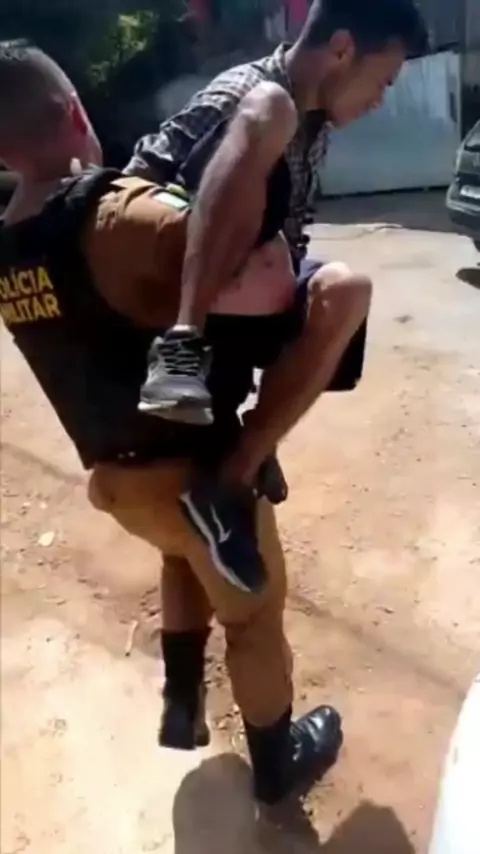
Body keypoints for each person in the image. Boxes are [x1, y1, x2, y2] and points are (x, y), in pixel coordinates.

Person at [0, 41, 351, 807]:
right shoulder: (115, 215)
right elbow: (260, 279)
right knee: (254, 616)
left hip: (118, 483)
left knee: (181, 554)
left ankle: (183, 699)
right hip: (192, 470)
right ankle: (278, 761)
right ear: (74, 112)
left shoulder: (9, 246)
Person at [126, 0, 429, 595]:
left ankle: (235, 474)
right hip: (183, 298)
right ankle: (181, 351)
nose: (380, 100)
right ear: (342, 49)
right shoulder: (250, 96)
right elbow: (135, 193)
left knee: (346, 291)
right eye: (383, 80)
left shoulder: (314, 122)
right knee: (272, 114)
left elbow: (293, 233)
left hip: (248, 299)